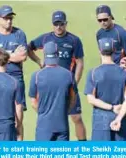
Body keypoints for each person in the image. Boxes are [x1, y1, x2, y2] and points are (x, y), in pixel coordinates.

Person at [28, 10, 86, 141]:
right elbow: (29, 48)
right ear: (52, 24)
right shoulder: (45, 38)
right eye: (56, 24)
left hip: (67, 83)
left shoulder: (74, 40)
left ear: (66, 24)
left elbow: (80, 63)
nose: (58, 27)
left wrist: (74, 83)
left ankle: (83, 145)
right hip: (50, 83)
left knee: (76, 117)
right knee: (50, 113)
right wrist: (39, 61)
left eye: (61, 24)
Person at [85, 38, 126, 141]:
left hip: (100, 123)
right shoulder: (123, 73)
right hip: (120, 121)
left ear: (99, 51)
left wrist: (111, 107)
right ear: (114, 50)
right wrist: (119, 117)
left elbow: (91, 99)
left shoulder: (93, 73)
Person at [29, 41, 77, 141]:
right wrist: (64, 112)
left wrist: (43, 113)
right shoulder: (68, 75)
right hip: (62, 124)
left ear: (45, 55)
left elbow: (33, 102)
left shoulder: (36, 76)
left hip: (44, 126)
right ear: (57, 54)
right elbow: (73, 98)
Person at [0, 5, 28, 111]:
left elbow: (23, 56)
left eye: (10, 18)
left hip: (16, 78)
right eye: (5, 18)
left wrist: (0, 56)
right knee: (0, 110)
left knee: (18, 112)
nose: (9, 21)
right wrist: (13, 55)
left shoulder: (19, 34)